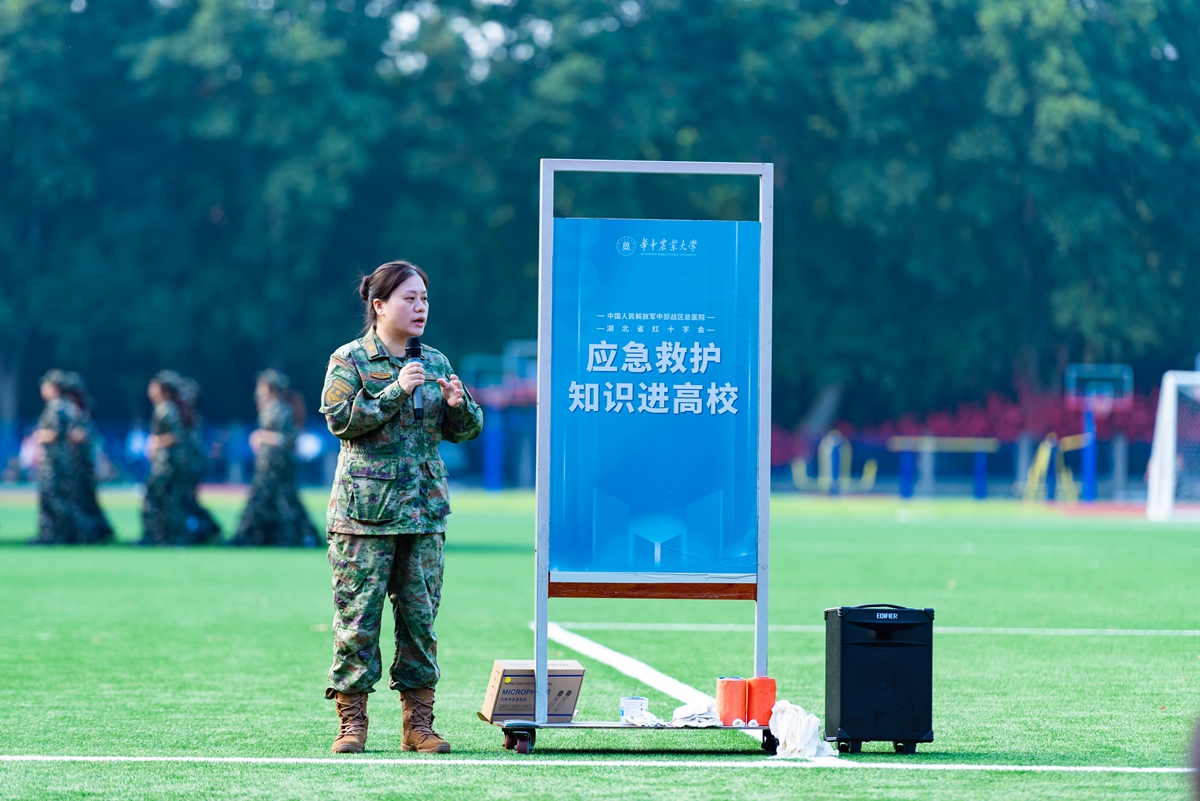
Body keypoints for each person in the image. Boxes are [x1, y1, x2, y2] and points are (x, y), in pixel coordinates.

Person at [320, 261, 482, 755]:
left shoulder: (435, 361)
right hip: (363, 517)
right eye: (409, 299)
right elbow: (341, 421)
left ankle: (419, 725)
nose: (420, 309)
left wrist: (459, 405)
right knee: (358, 621)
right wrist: (395, 390)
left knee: (420, 621)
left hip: (423, 513)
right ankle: (352, 725)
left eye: (425, 301)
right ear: (379, 305)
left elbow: (466, 430)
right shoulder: (348, 359)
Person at [231, 369, 319, 547]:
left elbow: (288, 439)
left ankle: (300, 536)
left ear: (269, 387)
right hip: (269, 464)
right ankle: (262, 536)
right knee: (274, 500)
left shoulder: (280, 409)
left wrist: (263, 437)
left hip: (278, 465)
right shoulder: (271, 408)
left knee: (282, 501)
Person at [30, 370, 87, 544]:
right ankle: (67, 534)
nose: (43, 388)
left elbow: (56, 433)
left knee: (52, 498)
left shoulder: (56, 407)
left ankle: (55, 535)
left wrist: (39, 435)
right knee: (61, 497)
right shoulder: (67, 406)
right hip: (62, 459)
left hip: (54, 460)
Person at [140, 371, 194, 546]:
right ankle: (171, 536)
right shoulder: (169, 408)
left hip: (167, 463)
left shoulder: (166, 409)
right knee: (171, 501)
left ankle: (154, 535)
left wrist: (156, 442)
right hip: (171, 462)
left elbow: (176, 436)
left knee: (154, 497)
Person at [60, 372, 114, 544]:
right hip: (84, 460)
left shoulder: (75, 408)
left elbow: (83, 434)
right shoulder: (83, 405)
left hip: (80, 460)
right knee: (87, 498)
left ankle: (86, 533)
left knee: (80, 499)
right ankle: (99, 531)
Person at [178, 377, 221, 544]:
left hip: (190, 465)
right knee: (187, 499)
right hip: (193, 464)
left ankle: (206, 528)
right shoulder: (191, 416)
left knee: (186, 499)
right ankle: (205, 528)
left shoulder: (188, 416)